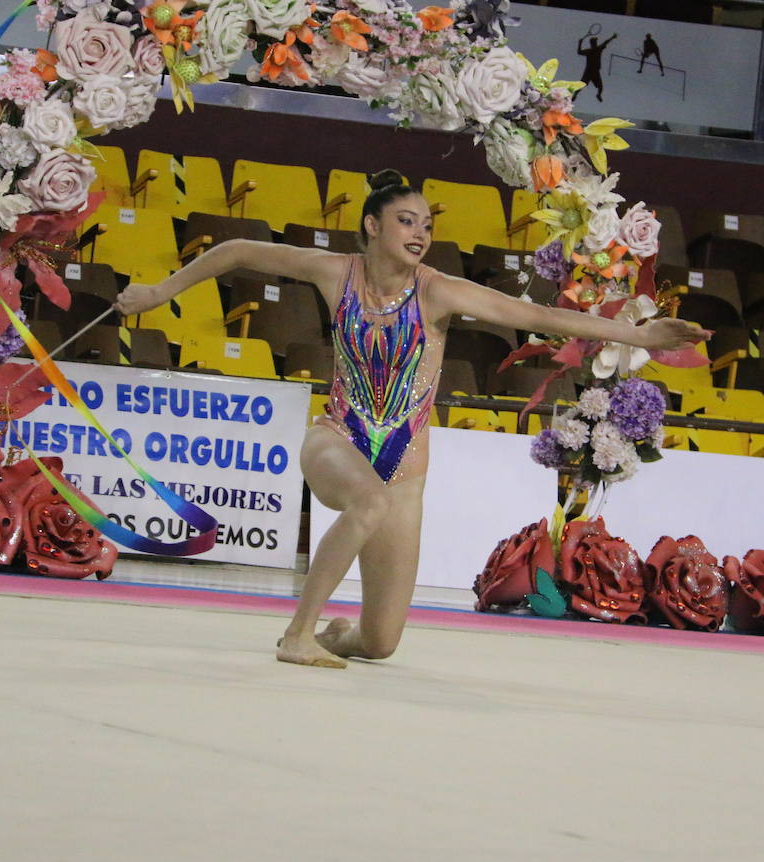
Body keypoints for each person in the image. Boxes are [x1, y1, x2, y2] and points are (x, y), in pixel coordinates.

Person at [116, 171, 710, 669]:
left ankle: (333, 634)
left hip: (406, 465)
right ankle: (297, 633)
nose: (420, 233)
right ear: (372, 225)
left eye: (427, 224)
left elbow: (536, 314)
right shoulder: (334, 272)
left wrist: (635, 335)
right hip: (337, 437)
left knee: (380, 644)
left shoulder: (439, 292)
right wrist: (157, 291)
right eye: (407, 221)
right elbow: (238, 250)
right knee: (364, 502)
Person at [575, 31, 617, 103]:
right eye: (595, 42)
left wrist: (580, 43)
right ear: (593, 43)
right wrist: (612, 37)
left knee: (598, 86)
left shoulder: (595, 50)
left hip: (592, 71)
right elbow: (605, 42)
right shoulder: (596, 49)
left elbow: (605, 42)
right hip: (592, 71)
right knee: (584, 85)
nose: (595, 43)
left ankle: (597, 94)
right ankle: (576, 95)